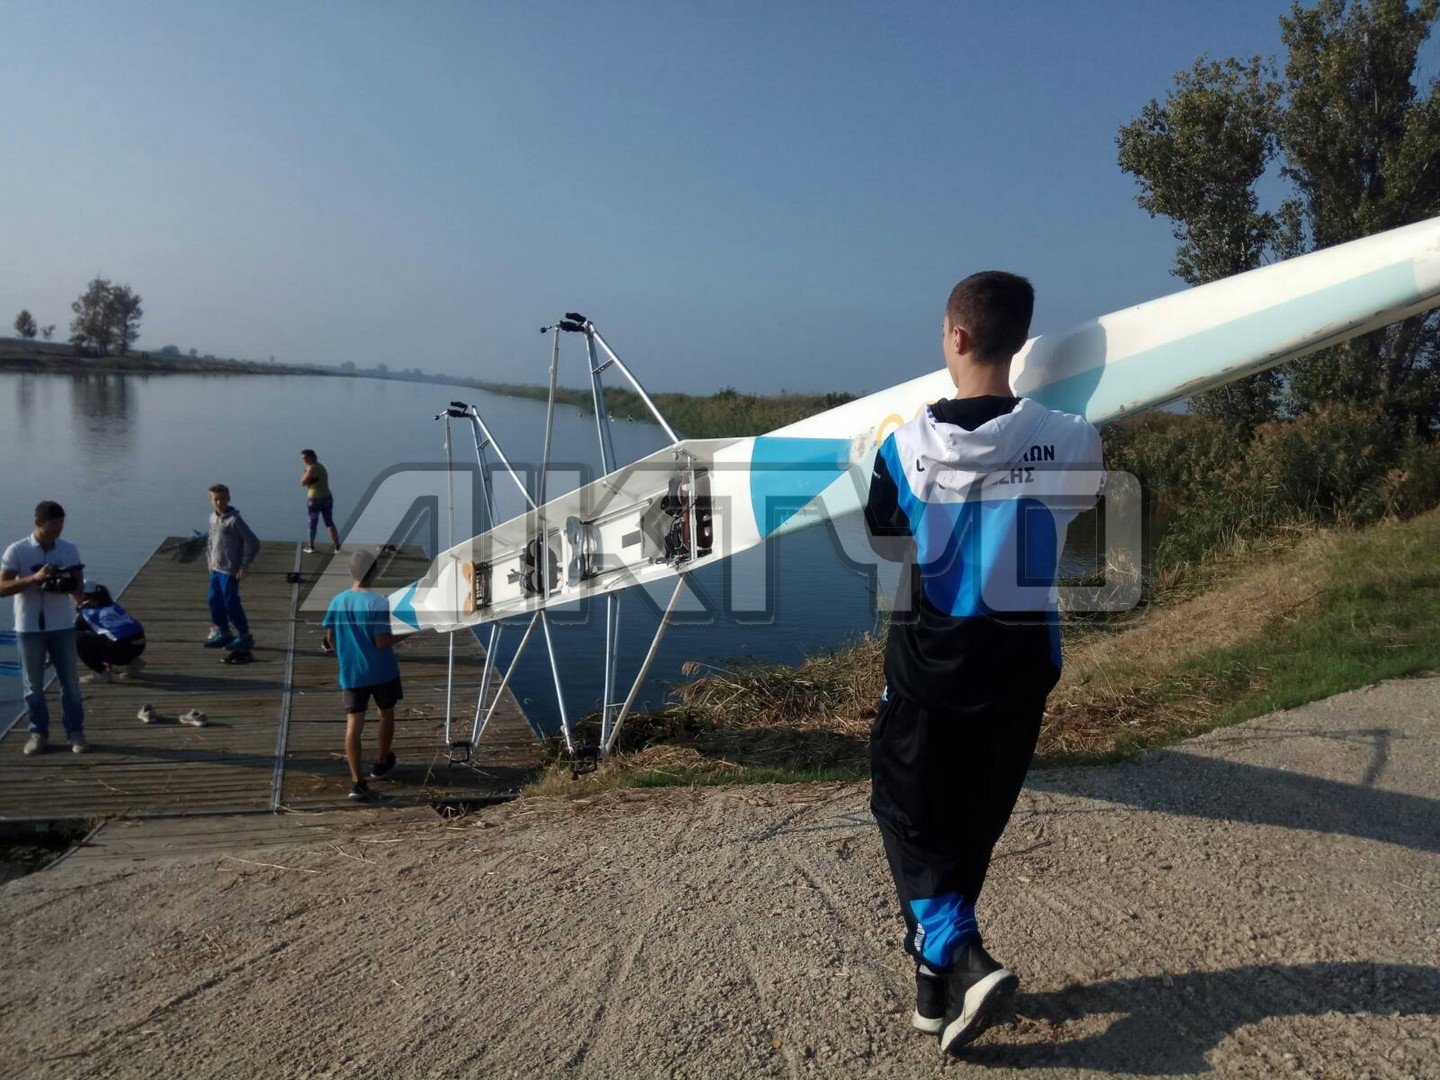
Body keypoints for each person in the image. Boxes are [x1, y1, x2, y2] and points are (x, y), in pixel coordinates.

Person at [864, 272, 1104, 1055]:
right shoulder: (1074, 440)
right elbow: (1077, 505)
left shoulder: (904, 447)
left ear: (957, 337)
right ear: (1020, 341)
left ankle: (962, 957)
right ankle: (935, 993)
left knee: (905, 811)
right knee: (970, 825)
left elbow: (886, 544)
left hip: (929, 670)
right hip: (1019, 669)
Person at [0, 501, 88, 755]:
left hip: (62, 625)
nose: (59, 528)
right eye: (53, 524)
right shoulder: (17, 550)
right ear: (38, 523)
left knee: (70, 683)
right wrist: (34, 579)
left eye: (61, 523)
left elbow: (78, 587)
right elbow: (2, 587)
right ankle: (38, 733)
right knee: (33, 686)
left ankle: (75, 732)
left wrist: (74, 589)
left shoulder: (69, 549)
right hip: (29, 627)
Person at [321, 550, 401, 800]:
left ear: (350, 572)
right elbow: (382, 642)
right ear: (374, 571)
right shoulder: (378, 603)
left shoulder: (337, 601)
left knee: (354, 725)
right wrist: (409, 633)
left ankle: (357, 781)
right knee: (386, 715)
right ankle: (381, 763)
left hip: (352, 674)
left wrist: (346, 655)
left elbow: (330, 639)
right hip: (382, 672)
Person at [204, 484, 261, 649]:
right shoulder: (212, 518)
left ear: (228, 499)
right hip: (215, 568)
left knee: (231, 602)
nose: (219, 502)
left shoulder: (234, 520)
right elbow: (210, 539)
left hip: (230, 570)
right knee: (214, 600)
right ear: (211, 500)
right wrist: (209, 557)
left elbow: (253, 542)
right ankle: (224, 632)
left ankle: (244, 635)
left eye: (222, 499)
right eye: (215, 499)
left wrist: (245, 564)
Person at [75, 580, 147, 683]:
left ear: (83, 595)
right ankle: (132, 663)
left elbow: (75, 633)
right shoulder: (112, 605)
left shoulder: (87, 613)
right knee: (103, 633)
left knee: (75, 638)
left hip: (122, 650)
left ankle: (101, 673)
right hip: (139, 645)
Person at [299, 449, 340, 555]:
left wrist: (306, 478)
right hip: (327, 497)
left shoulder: (312, 468)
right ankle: (337, 547)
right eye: (302, 459)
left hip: (314, 499)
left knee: (312, 522)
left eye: (305, 458)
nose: (304, 461)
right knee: (329, 522)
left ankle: (311, 546)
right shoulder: (320, 466)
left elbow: (303, 482)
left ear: (311, 457)